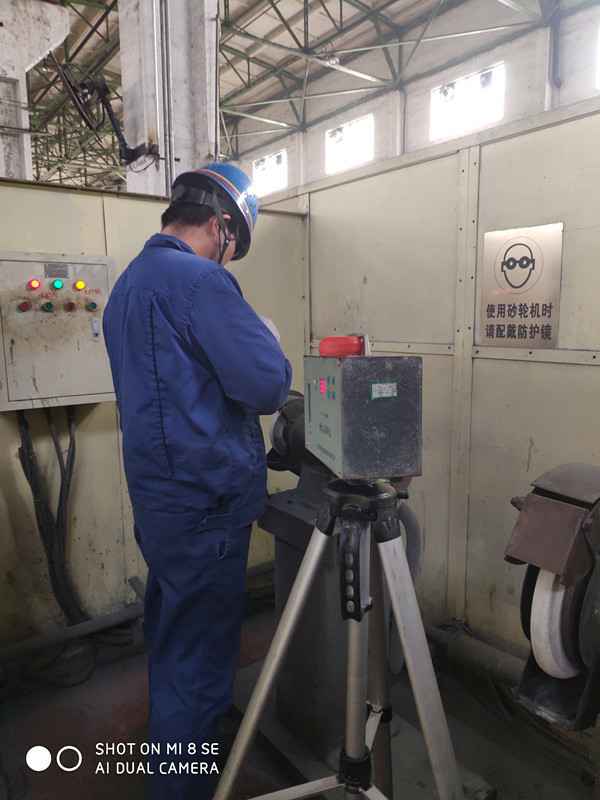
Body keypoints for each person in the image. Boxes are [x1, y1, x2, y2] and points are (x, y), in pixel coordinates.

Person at [102, 163, 292, 800]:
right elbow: (266, 386)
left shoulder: (128, 286)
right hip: (207, 506)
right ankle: (182, 784)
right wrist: (268, 342)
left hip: (160, 504)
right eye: (232, 246)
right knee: (203, 663)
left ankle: (174, 754)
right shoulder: (202, 282)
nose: (227, 258)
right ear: (220, 225)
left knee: (173, 640)